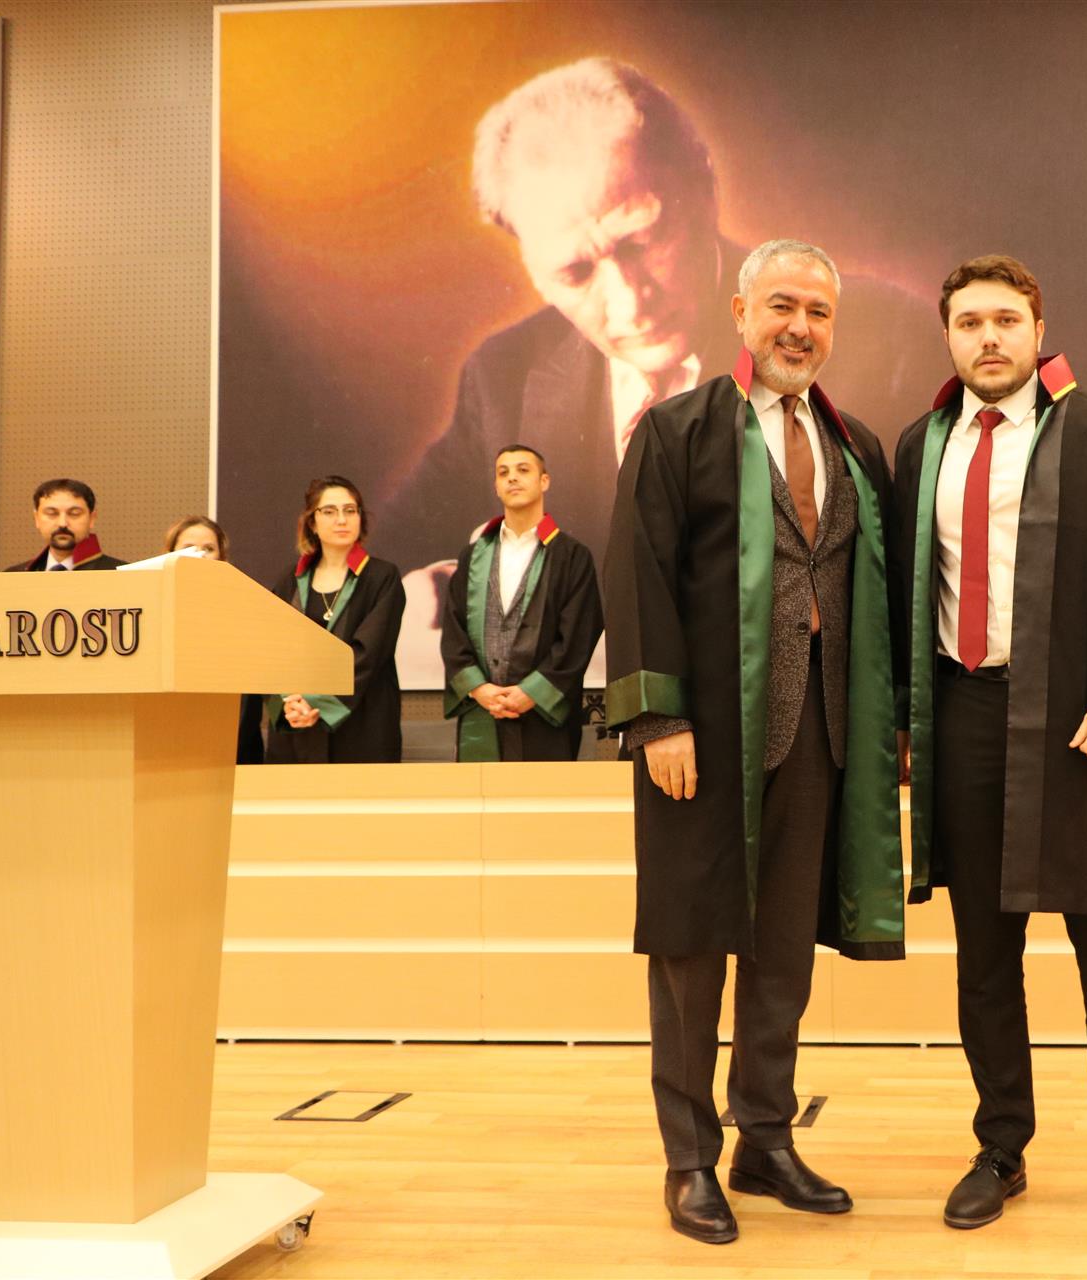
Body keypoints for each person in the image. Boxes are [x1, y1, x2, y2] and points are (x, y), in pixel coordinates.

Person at [385, 57, 925, 686]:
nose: (629, 302)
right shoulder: (504, 373)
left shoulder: (885, 340)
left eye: (641, 241)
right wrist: (406, 593)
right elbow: (378, 550)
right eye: (575, 273)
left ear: (705, 185)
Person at [604, 240, 903, 1245]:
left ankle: (764, 1139)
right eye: (782, 305)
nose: (800, 328)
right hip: (703, 737)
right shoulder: (677, 430)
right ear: (739, 311)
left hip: (821, 731)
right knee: (692, 949)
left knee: (783, 952)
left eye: (818, 312)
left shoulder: (857, 446)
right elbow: (637, 574)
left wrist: (891, 725)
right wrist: (657, 717)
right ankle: (689, 1159)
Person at [892, 255, 1087, 1234]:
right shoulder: (922, 445)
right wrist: (903, 720)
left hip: (1079, 722)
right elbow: (901, 590)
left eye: (1005, 320)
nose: (988, 337)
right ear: (948, 335)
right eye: (969, 322)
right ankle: (1000, 1146)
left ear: (1038, 328)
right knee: (985, 954)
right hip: (965, 717)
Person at [439, 445, 602, 761]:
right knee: (480, 792)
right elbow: (454, 629)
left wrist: (532, 692)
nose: (512, 478)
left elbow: (579, 635)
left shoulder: (571, 556)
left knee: (542, 793)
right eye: (504, 473)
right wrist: (479, 689)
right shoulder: (473, 556)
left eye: (523, 470)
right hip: (483, 709)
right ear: (496, 486)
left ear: (544, 481)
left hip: (544, 715)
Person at [265, 477, 405, 764]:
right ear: (312, 522)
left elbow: (368, 654)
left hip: (362, 725)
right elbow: (273, 653)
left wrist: (317, 702)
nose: (342, 519)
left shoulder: (382, 577)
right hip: (296, 725)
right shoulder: (289, 580)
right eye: (329, 511)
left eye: (350, 510)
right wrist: (289, 703)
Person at [164, 515, 265, 765]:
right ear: (169, 555)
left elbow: (247, 698)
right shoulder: (155, 611)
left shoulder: (243, 612)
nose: (199, 555)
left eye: (208, 549)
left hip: (233, 749)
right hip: (168, 745)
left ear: (222, 558)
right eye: (189, 548)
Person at [5, 479, 125, 571]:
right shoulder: (12, 577)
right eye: (52, 513)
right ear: (36, 518)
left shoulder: (121, 575)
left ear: (92, 518)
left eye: (74, 513)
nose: (62, 523)